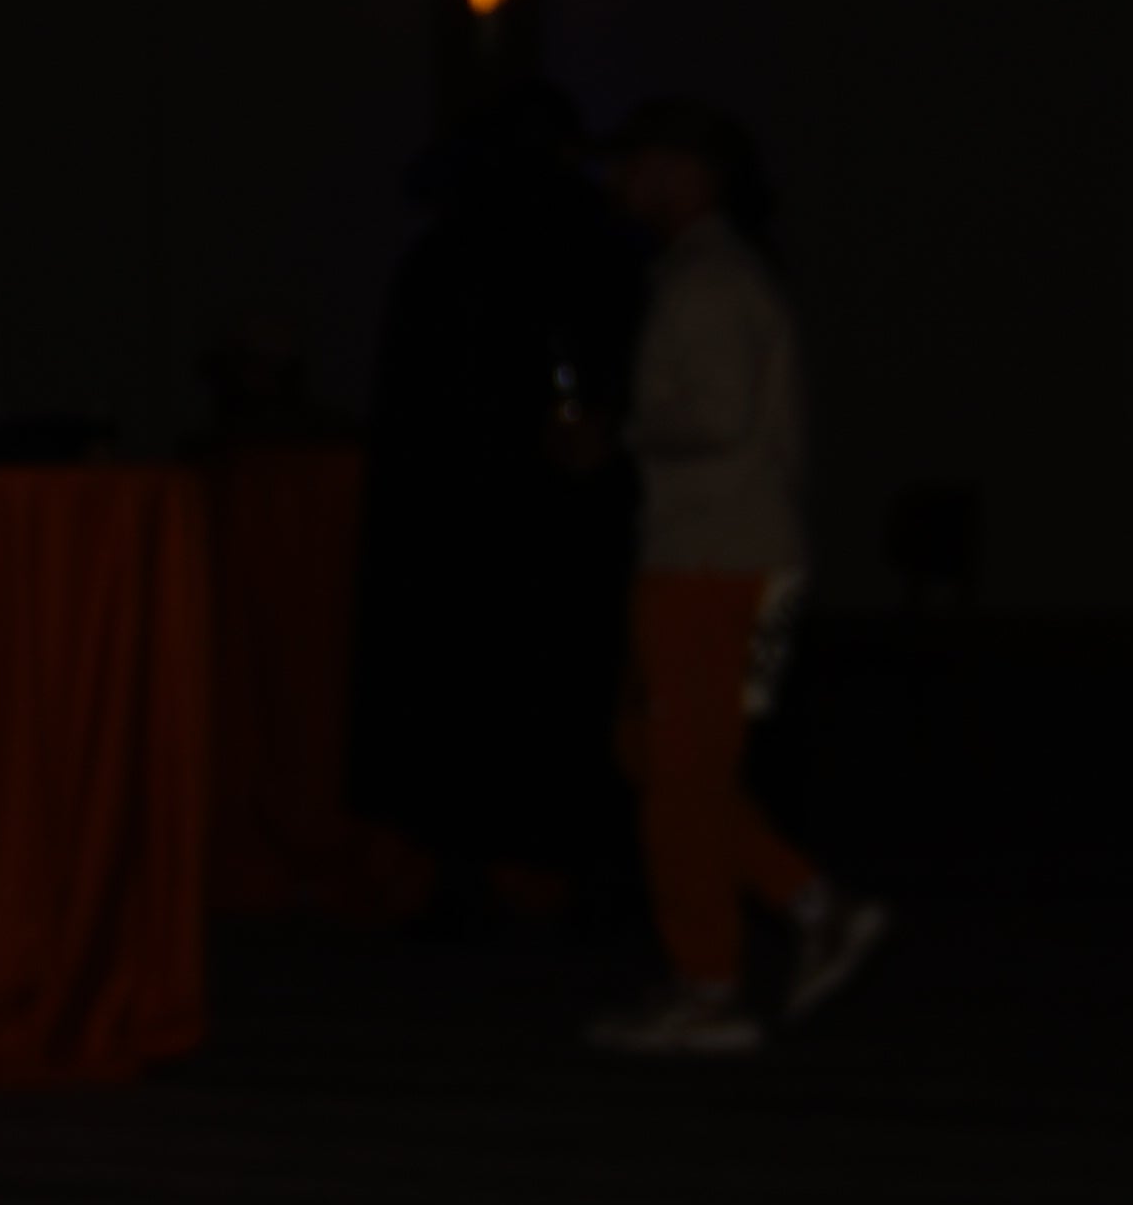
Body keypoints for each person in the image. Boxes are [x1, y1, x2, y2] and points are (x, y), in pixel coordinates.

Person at [580, 101, 881, 1055]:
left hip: (712, 561)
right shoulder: (715, 274)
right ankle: (813, 905)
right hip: (733, 555)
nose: (616, 183)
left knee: (678, 774)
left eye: (632, 163)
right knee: (661, 755)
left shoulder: (708, 283)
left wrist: (618, 434)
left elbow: (714, 415)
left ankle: (709, 985)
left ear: (683, 173)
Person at [346, 72, 634, 912]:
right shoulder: (563, 251)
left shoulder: (463, 257)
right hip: (519, 524)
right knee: (521, 682)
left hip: (486, 526)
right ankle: (512, 858)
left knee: (488, 683)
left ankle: (487, 857)